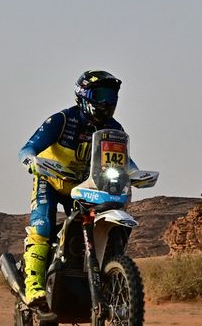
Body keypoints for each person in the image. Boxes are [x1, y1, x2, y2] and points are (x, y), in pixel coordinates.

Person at [17, 70, 126, 307]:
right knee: (42, 226)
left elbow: (123, 160)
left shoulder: (113, 129)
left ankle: (101, 278)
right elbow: (27, 149)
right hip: (50, 180)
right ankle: (33, 285)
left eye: (111, 96)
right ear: (83, 96)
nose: (106, 102)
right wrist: (32, 161)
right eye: (100, 95)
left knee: (99, 223)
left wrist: (134, 173)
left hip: (84, 187)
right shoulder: (63, 120)